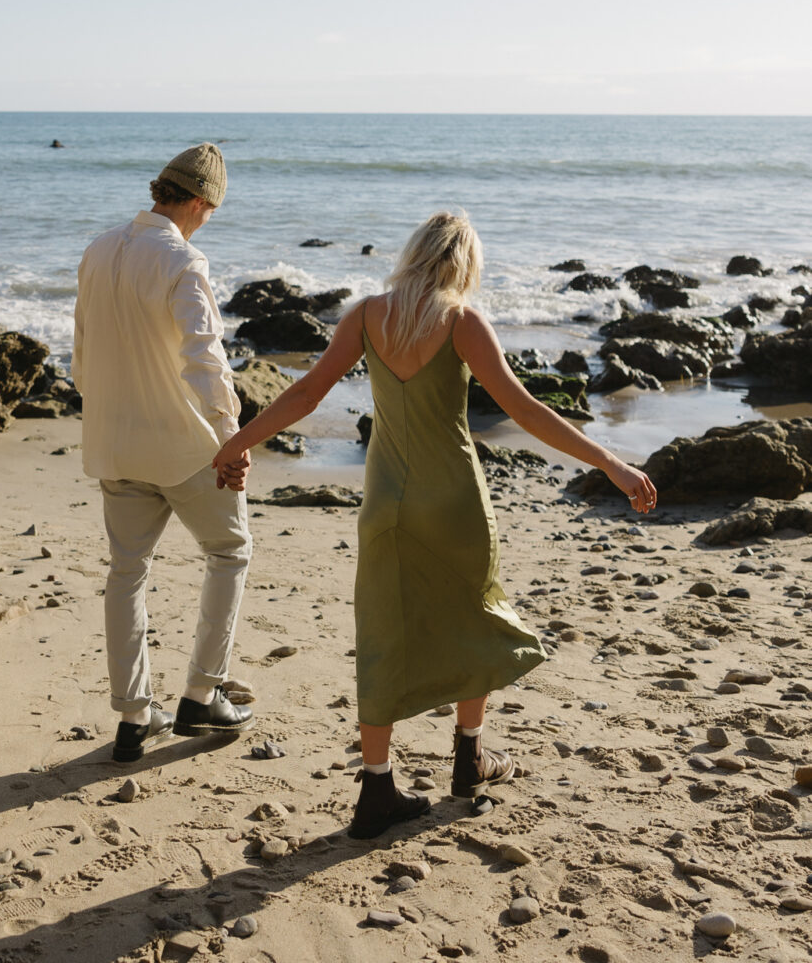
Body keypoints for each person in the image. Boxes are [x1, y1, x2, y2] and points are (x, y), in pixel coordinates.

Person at [213, 210, 657, 837]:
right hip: (455, 500)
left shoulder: (368, 314)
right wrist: (609, 461)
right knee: (475, 613)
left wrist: (236, 443)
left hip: (386, 501)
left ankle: (376, 790)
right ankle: (470, 756)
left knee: (382, 633)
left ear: (415, 252)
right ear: (463, 264)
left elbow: (305, 394)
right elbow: (524, 409)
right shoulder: (460, 321)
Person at [72, 143, 255, 764]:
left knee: (127, 573)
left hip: (114, 442)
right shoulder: (183, 259)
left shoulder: (98, 248)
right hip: (182, 448)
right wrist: (232, 437)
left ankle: (133, 717)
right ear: (200, 202)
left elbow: (81, 354)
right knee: (229, 553)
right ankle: (201, 694)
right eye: (210, 210)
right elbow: (204, 358)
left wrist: (104, 415)